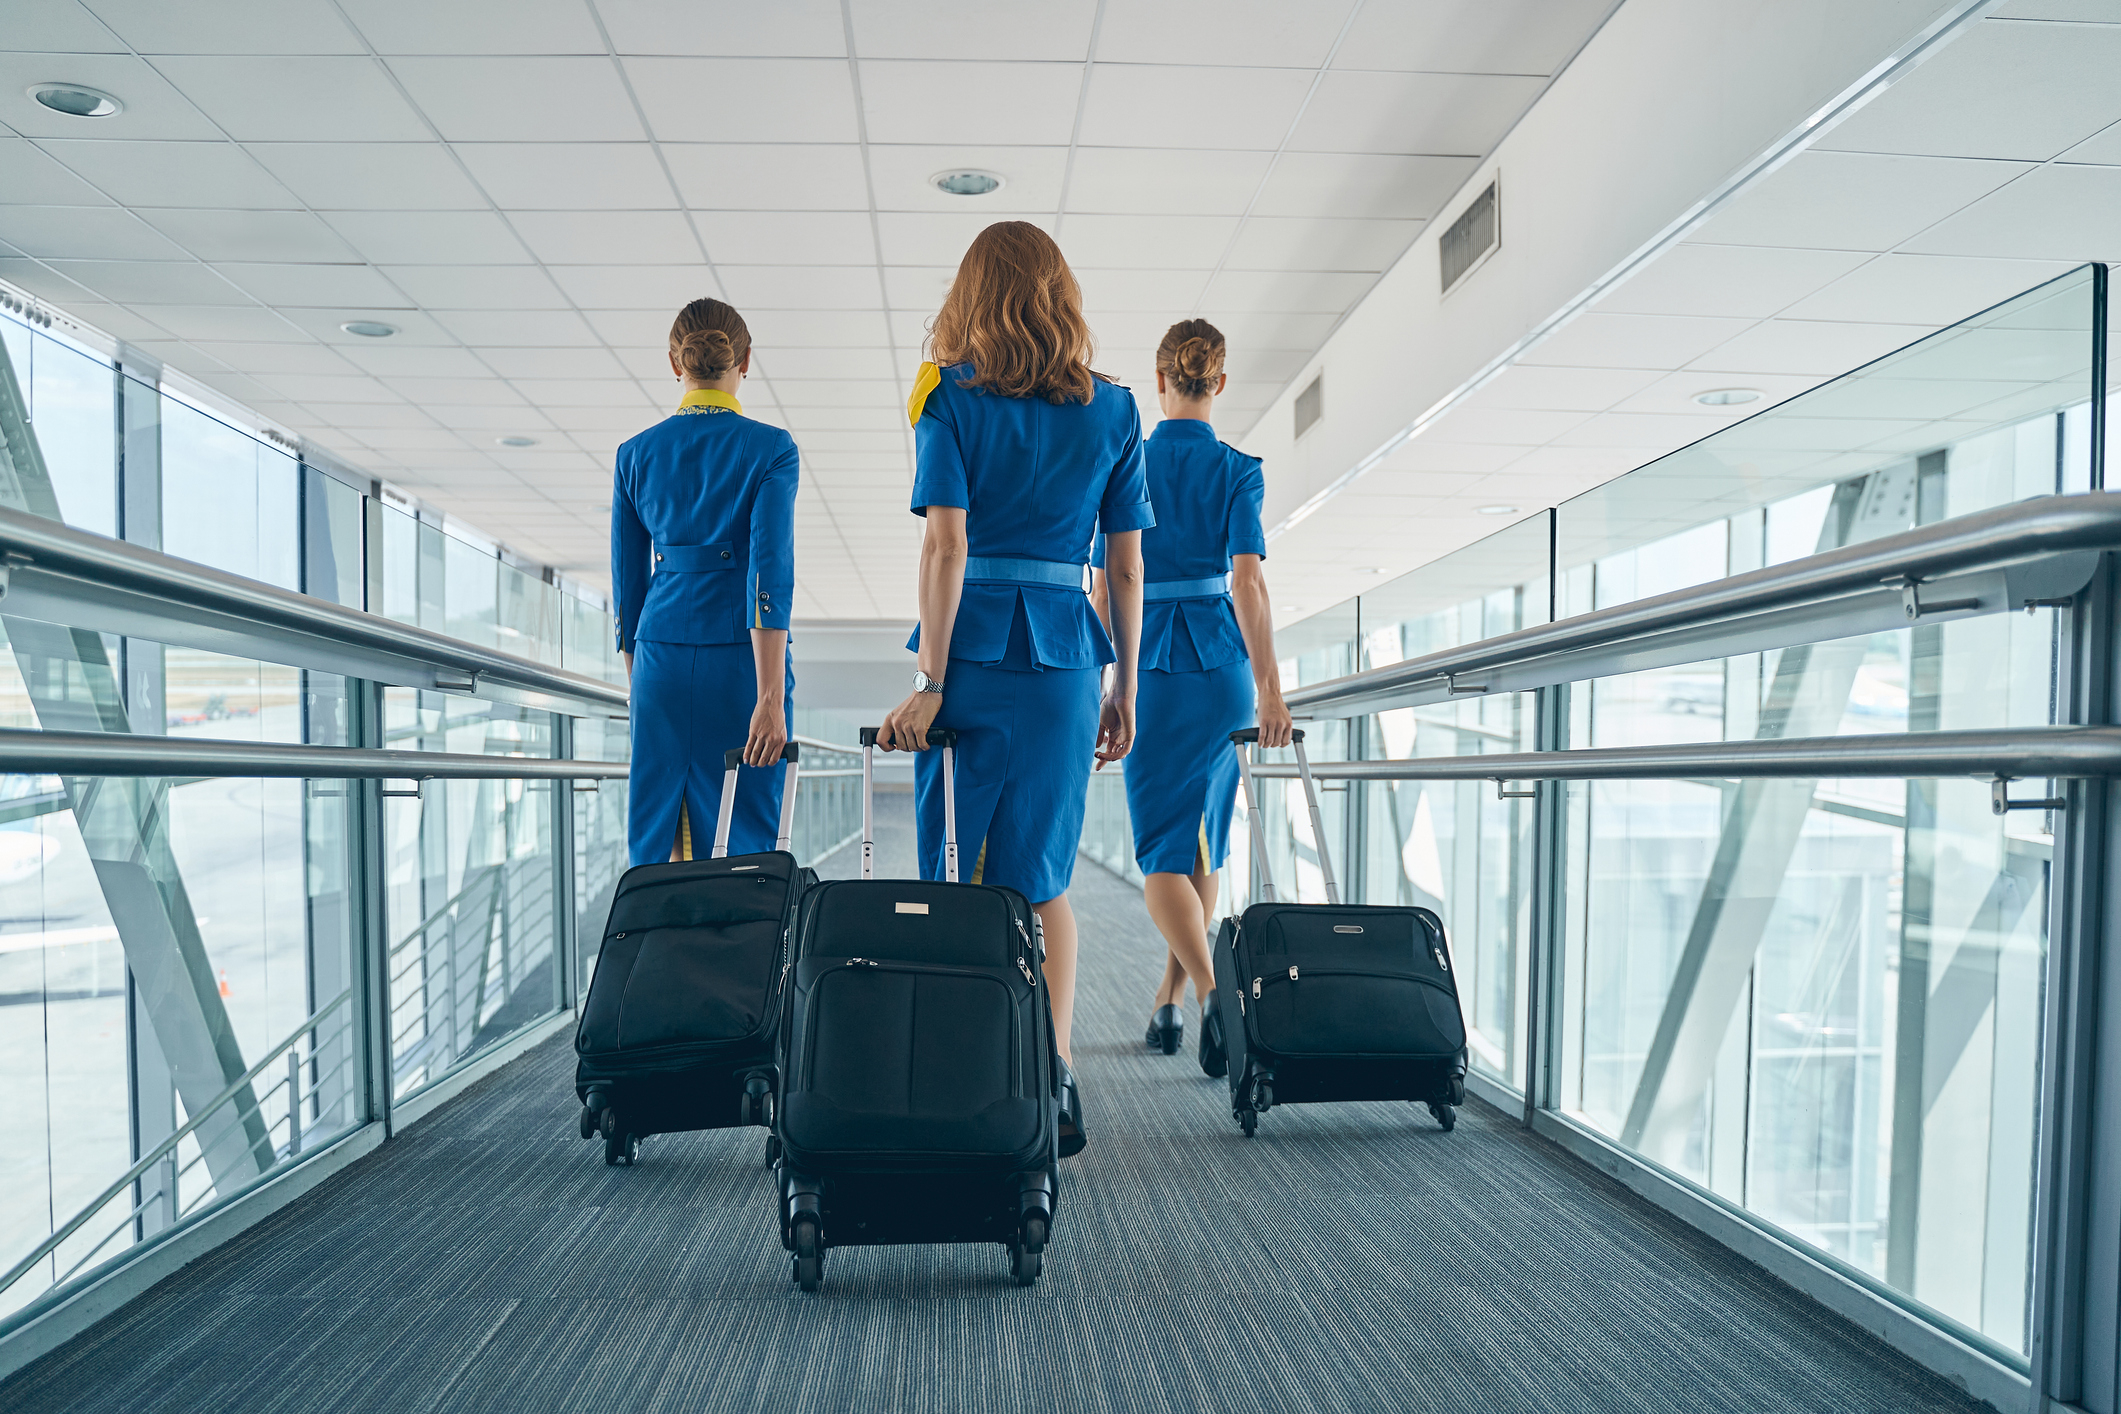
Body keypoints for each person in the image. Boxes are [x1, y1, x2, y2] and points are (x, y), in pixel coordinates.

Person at [877, 222, 1151, 1158]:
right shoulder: (1115, 411)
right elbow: (1125, 569)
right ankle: (1051, 1076)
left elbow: (946, 547)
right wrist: (1123, 683)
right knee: (1041, 881)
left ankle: (958, 1071)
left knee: (954, 874)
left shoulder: (947, 399)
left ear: (970, 298)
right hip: (1067, 663)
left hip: (968, 659)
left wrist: (927, 682)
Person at [1089, 319, 1292, 1072]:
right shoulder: (1239, 467)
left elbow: (1108, 585)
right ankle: (1169, 1003)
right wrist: (1270, 690)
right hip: (1222, 672)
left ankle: (1211, 996)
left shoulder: (1124, 461)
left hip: (1153, 669)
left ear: (1158, 377)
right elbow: (1248, 582)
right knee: (1202, 838)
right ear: (1220, 382)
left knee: (1161, 853)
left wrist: (1111, 682)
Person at [611, 297, 797, 866]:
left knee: (659, 828)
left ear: (675, 363)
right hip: (742, 664)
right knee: (743, 832)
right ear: (746, 360)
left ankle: (665, 948)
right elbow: (769, 572)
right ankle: (738, 949)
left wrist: (640, 684)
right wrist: (769, 697)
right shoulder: (771, 449)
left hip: (659, 658)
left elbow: (628, 586)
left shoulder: (634, 454)